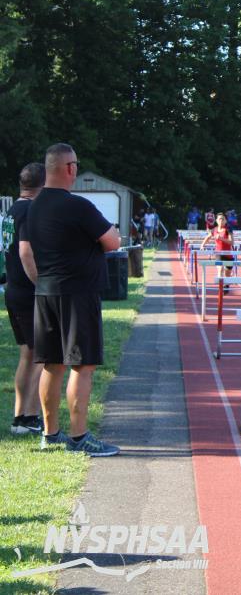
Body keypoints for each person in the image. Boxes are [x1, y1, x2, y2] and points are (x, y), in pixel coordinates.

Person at [22, 143, 121, 456]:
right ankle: (79, 437)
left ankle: (50, 434)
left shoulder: (34, 207)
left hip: (46, 292)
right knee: (82, 365)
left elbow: (28, 251)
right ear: (70, 168)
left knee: (51, 364)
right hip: (77, 294)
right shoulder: (78, 206)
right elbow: (113, 241)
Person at [6, 163, 45, 435]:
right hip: (29, 293)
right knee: (43, 356)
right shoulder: (31, 211)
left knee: (27, 354)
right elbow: (25, 252)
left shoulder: (12, 210)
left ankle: (19, 417)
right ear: (43, 185)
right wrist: (41, 284)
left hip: (13, 290)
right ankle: (30, 417)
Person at [201, 213, 235, 283]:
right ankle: (220, 286)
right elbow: (208, 237)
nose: (221, 221)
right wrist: (202, 245)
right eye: (219, 219)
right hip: (218, 253)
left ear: (225, 221)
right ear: (216, 220)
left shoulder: (228, 229)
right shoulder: (214, 230)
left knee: (227, 274)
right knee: (220, 269)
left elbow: (231, 242)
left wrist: (221, 238)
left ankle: (226, 285)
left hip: (228, 254)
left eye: (223, 219)